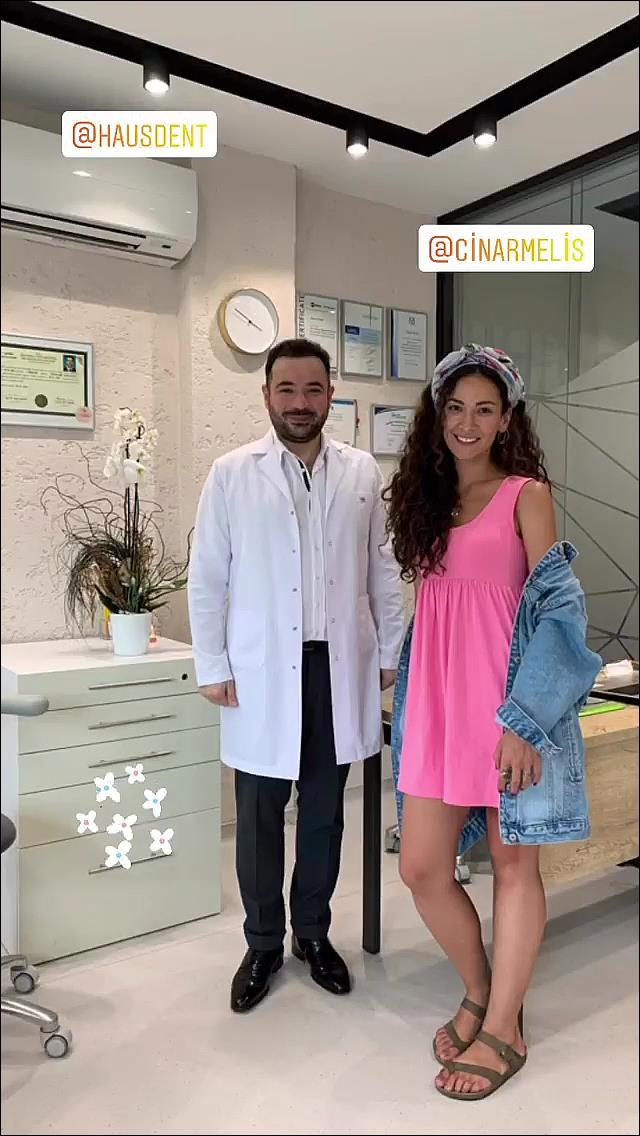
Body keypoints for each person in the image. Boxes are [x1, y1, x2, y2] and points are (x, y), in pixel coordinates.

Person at [385, 344, 601, 1101]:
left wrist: (526, 722)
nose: (467, 423)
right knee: (421, 867)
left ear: (507, 418)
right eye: (455, 408)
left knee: (514, 867)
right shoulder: (428, 499)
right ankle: (481, 989)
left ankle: (505, 1027)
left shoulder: (525, 495)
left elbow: (560, 612)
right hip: (438, 707)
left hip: (508, 711)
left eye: (484, 409)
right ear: (437, 416)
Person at [188, 337, 404, 1014]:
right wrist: (213, 664)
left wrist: (390, 652)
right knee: (258, 816)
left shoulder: (361, 471)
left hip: (337, 668)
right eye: (287, 389)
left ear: (330, 395)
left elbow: (384, 569)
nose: (300, 403)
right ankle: (262, 944)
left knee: (324, 815)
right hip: (260, 672)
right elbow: (208, 576)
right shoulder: (232, 473)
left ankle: (312, 933)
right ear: (267, 396)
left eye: (313, 389)